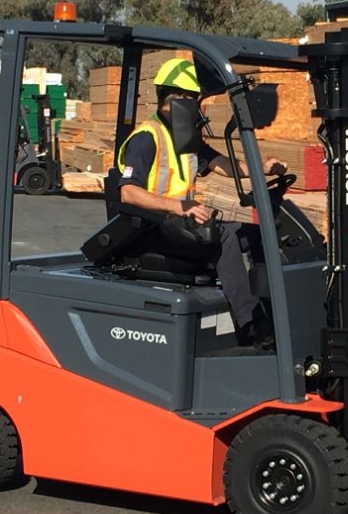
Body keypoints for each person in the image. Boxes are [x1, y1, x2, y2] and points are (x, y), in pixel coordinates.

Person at [116, 58, 287, 349]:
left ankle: (274, 312)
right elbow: (128, 193)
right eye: (195, 100)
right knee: (222, 237)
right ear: (178, 98)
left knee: (256, 234)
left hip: (179, 224)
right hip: (150, 230)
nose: (199, 107)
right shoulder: (147, 137)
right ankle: (250, 326)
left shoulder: (185, 137)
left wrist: (262, 166)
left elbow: (223, 163)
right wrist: (178, 207)